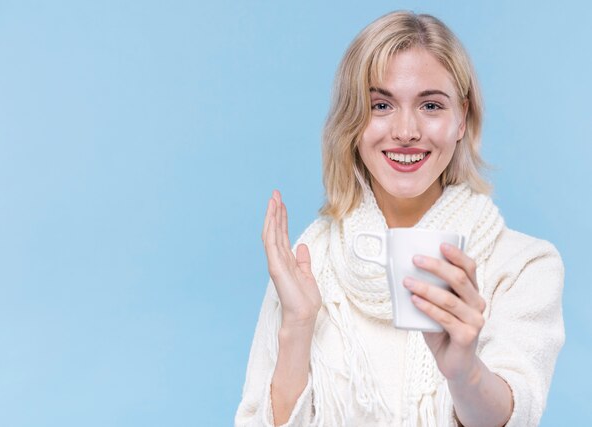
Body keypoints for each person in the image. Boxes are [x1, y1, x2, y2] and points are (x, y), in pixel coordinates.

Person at [235, 10, 564, 427]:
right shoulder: (307, 263)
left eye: (430, 105)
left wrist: (464, 371)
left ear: (461, 118)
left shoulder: (523, 265)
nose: (406, 130)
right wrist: (298, 326)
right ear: (352, 121)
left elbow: (519, 413)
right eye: (381, 105)